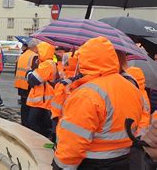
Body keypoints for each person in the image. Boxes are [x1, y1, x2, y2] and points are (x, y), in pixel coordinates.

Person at [53, 37, 143, 169]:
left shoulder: (87, 94)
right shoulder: (131, 87)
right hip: (124, 159)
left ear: (85, 60)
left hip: (93, 162)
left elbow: (73, 143)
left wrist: (60, 166)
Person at [26, 41, 56, 137]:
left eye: (39, 51)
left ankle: (40, 139)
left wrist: (29, 72)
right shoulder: (46, 63)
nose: (37, 53)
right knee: (42, 123)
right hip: (41, 99)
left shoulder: (47, 64)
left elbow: (33, 80)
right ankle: (44, 138)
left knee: (33, 122)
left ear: (44, 51)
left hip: (42, 100)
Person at [13, 39, 39, 127]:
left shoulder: (22, 55)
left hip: (20, 84)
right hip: (28, 85)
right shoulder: (35, 57)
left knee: (23, 107)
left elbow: (16, 70)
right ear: (35, 47)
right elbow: (36, 73)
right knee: (29, 108)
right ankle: (28, 126)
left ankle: (24, 124)